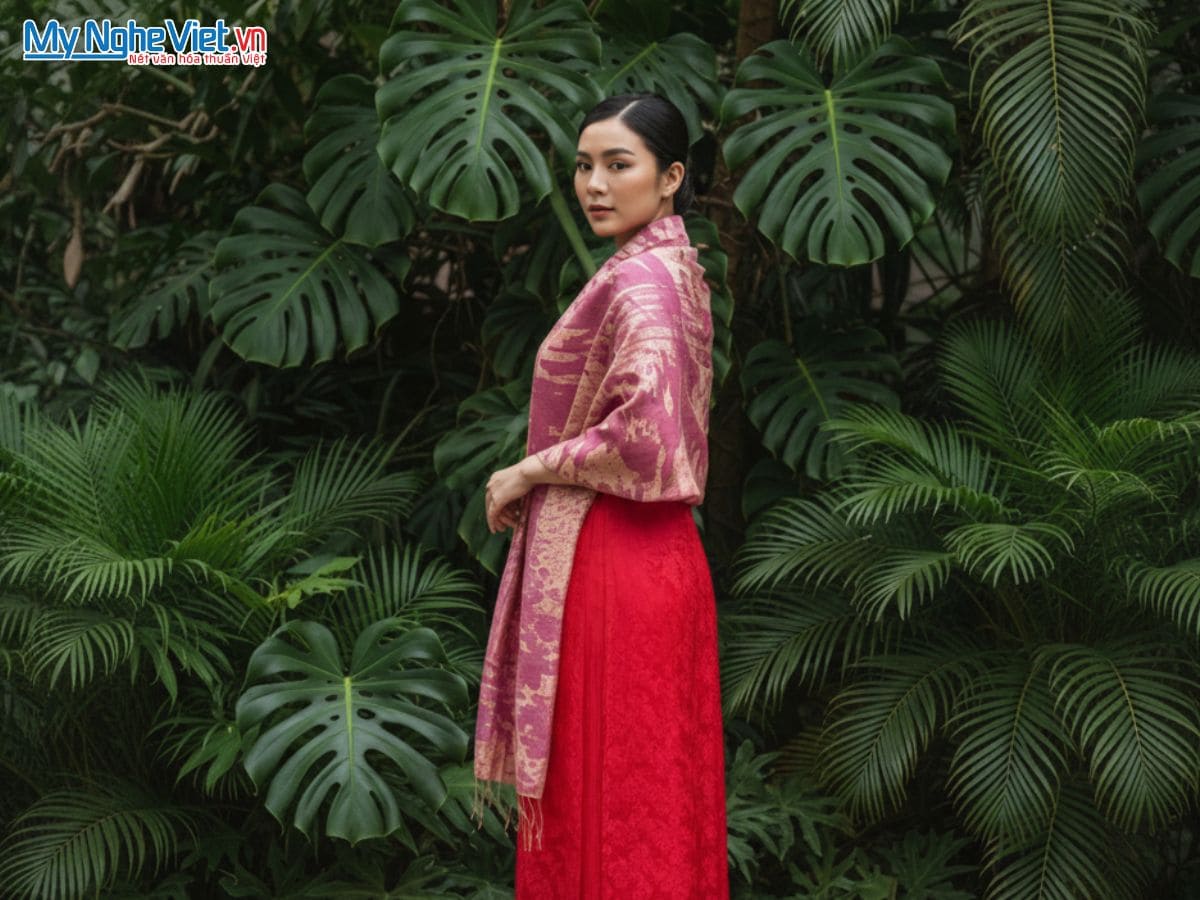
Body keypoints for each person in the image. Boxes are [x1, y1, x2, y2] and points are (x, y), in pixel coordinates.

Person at [471, 92, 729, 898]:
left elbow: (645, 433)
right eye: (585, 166)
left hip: (616, 560)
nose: (595, 184)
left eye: (620, 165)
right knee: (648, 795)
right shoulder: (674, 268)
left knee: (610, 794)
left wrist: (529, 470)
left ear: (671, 176)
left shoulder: (642, 281)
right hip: (654, 560)